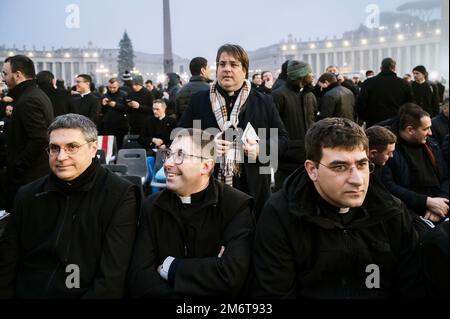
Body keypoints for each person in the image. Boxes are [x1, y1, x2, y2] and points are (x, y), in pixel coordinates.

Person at [252, 117, 423, 298]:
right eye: (340, 167)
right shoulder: (280, 215)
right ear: (312, 170)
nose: (357, 180)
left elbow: (411, 285)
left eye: (362, 164)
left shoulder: (391, 210)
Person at [0, 114, 140, 298]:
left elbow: (111, 277)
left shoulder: (120, 195)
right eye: (54, 148)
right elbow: (6, 264)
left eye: (72, 147)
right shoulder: (28, 194)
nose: (61, 156)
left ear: (93, 148)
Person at [128, 128, 254, 298]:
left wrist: (171, 268)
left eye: (180, 155)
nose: (167, 163)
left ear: (206, 166)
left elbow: (232, 276)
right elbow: (140, 278)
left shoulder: (236, 206)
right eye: (168, 154)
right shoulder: (152, 207)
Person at [179, 43, 288, 218]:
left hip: (253, 188)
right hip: (208, 187)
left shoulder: (263, 101)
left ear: (244, 70)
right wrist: (206, 144)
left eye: (233, 64)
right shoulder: (199, 101)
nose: (227, 69)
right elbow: (179, 136)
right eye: (222, 64)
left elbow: (282, 139)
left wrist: (261, 149)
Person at [0, 55, 54, 212]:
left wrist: (18, 166)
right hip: (33, 174)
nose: (3, 78)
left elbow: (39, 139)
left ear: (18, 74)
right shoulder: (34, 94)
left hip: (29, 177)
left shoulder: (28, 99)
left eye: (5, 73)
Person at [382, 103, 448, 223]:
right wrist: (427, 202)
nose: (430, 133)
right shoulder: (388, 151)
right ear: (410, 130)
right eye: (425, 129)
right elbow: (388, 187)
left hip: (439, 207)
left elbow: (446, 176)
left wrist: (441, 202)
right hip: (407, 215)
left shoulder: (432, 145)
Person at [271, 60, 317, 191]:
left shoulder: (306, 94)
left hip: (304, 155)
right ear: (301, 76)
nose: (312, 75)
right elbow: (271, 127)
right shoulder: (279, 95)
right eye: (309, 73)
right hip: (287, 158)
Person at [357, 58, 414, 127]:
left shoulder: (368, 82)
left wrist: (365, 118)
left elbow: (360, 103)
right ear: (394, 68)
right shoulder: (404, 83)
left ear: (381, 68)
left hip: (374, 123)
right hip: (396, 123)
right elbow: (410, 105)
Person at [101, 78, 129, 149]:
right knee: (109, 145)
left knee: (121, 144)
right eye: (110, 87)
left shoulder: (124, 95)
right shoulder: (104, 96)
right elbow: (101, 112)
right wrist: (103, 105)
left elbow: (127, 109)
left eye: (114, 87)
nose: (112, 89)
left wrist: (116, 105)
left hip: (121, 123)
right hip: (108, 124)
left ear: (118, 86)